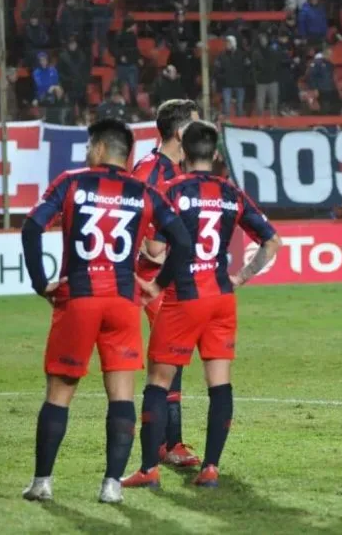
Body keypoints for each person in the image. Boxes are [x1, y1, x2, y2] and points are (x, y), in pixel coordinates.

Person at [20, 119, 192, 503]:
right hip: (123, 302)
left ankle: (43, 482)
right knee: (121, 396)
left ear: (98, 148)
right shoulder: (143, 191)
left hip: (78, 299)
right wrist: (157, 285)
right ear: (126, 153)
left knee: (60, 393)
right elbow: (181, 238)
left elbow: (31, 226)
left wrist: (38, 282)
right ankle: (112, 485)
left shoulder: (70, 181)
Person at [121, 121, 282, 489]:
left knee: (158, 383)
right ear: (215, 153)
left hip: (183, 298)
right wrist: (241, 276)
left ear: (185, 150)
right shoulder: (231, 192)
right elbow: (272, 241)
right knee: (219, 383)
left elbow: (156, 249)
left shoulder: (171, 191)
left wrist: (157, 276)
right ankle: (210, 468)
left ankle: (148, 469)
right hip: (221, 297)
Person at [132, 98, 201, 467]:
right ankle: (167, 445)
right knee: (167, 359)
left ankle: (165, 443)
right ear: (179, 132)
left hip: (163, 276)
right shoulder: (154, 170)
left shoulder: (166, 167)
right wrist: (158, 252)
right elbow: (142, 223)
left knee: (170, 358)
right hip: (149, 278)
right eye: (195, 123)